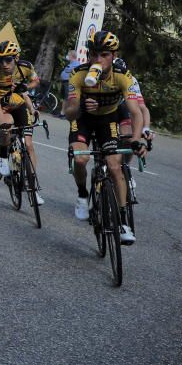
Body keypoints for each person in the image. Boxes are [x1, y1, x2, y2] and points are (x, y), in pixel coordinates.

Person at [65, 30, 146, 243]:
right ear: (88, 54)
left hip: (107, 121)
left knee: (114, 166)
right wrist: (81, 105)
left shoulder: (122, 76)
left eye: (104, 55)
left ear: (114, 55)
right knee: (81, 158)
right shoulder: (78, 74)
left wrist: (136, 139)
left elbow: (135, 111)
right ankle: (83, 195)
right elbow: (69, 113)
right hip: (82, 120)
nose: (98, 60)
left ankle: (122, 222)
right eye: (94, 54)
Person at [0, 40, 45, 204]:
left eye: (8, 60)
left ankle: (33, 188)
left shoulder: (25, 66)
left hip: (18, 104)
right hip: (1, 105)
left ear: (16, 57)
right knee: (5, 129)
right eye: (0, 59)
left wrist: (25, 87)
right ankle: (4, 156)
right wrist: (1, 121)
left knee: (28, 145)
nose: (4, 64)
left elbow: (36, 81)